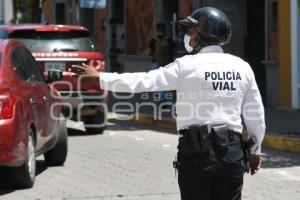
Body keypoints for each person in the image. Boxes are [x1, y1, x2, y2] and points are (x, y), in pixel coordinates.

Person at [72, 7, 265, 200]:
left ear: (203, 34)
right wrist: (255, 151)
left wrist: (101, 79)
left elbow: (144, 81)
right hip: (232, 155)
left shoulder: (186, 66)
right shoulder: (242, 67)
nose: (186, 36)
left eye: (190, 31)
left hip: (197, 156)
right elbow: (255, 114)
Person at [148, 23, 175, 102]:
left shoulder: (153, 40)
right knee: (164, 79)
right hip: (167, 63)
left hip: (155, 62)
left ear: (157, 30)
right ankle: (162, 96)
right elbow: (174, 50)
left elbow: (150, 53)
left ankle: (158, 94)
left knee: (155, 79)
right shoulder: (169, 40)